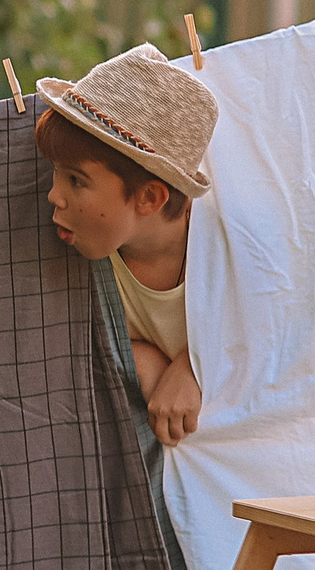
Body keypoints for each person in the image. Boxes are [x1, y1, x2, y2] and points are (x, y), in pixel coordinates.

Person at [35, 42, 219, 446]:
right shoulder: (91, 265)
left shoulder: (226, 256)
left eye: (76, 180)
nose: (53, 196)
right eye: (56, 175)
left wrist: (196, 365)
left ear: (150, 199)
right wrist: (143, 360)